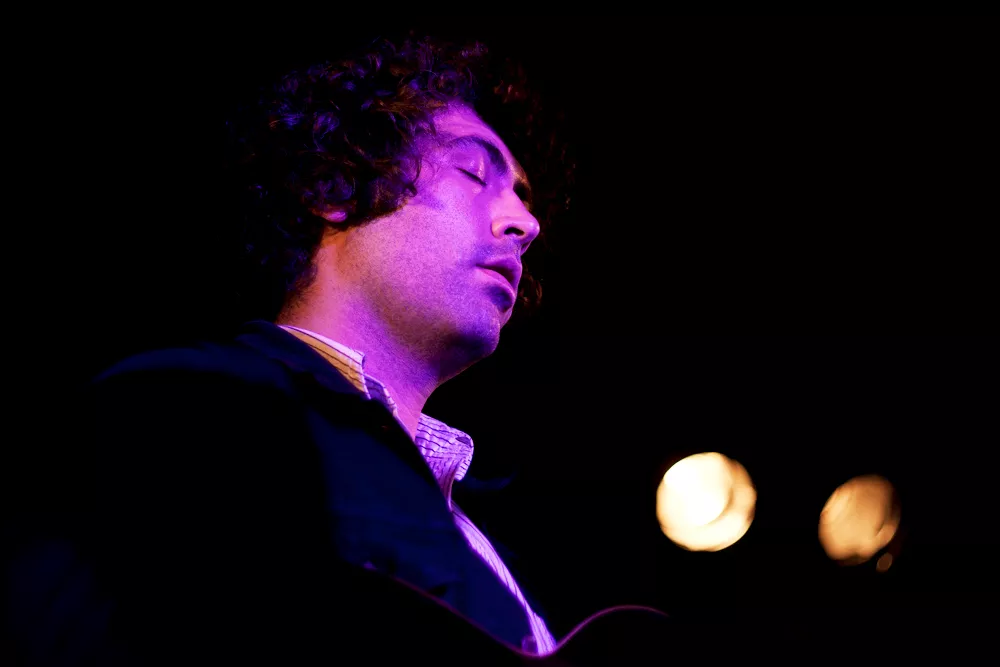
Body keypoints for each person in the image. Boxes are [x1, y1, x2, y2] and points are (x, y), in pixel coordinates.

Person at [3, 34, 572, 666]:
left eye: (525, 199)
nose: (526, 224)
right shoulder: (188, 407)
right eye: (474, 174)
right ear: (336, 187)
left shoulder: (494, 546)